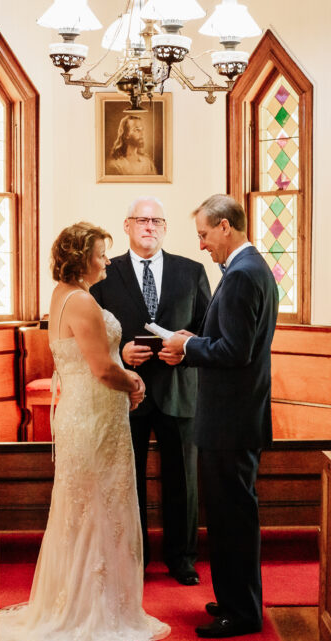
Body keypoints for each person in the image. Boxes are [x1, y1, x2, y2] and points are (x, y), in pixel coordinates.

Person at [0, 222, 170, 641]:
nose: (107, 260)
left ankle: (81, 599)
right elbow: (102, 369)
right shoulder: (83, 302)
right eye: (100, 253)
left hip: (84, 412)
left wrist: (121, 371)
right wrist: (132, 382)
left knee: (85, 505)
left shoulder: (62, 296)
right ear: (80, 258)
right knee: (100, 504)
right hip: (95, 417)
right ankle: (93, 609)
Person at [159, 194, 278, 639]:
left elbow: (235, 351)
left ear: (226, 227)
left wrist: (187, 347)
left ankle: (241, 613)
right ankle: (234, 599)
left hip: (230, 421)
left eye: (205, 235)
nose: (203, 245)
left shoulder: (244, 275)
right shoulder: (252, 269)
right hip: (237, 417)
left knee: (232, 520)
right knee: (231, 516)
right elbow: (232, 341)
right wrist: (194, 338)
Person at [90, 197, 210, 586]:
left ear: (165, 227)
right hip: (127, 392)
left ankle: (182, 558)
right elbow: (92, 332)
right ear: (126, 226)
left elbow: (208, 330)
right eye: (142, 220)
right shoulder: (106, 273)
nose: (150, 227)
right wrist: (119, 352)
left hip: (179, 388)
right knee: (128, 478)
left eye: (157, 220)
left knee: (184, 482)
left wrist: (186, 351)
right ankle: (133, 558)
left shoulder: (191, 271)